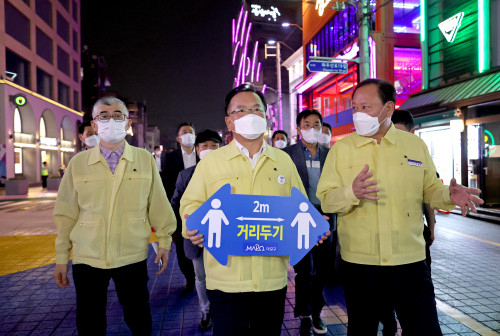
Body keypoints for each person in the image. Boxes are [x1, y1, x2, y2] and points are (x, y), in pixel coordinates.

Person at [316, 79, 483, 336]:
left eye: (366, 106)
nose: (358, 113)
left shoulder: (413, 146)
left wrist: (449, 195)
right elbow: (326, 199)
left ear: (389, 108)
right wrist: (351, 192)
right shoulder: (342, 150)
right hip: (361, 265)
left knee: (425, 329)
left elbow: (428, 190)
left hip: (410, 263)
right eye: (355, 107)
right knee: (362, 330)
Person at [180, 83, 310, 336]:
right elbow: (190, 204)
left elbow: (300, 207)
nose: (250, 115)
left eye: (256, 109)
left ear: (265, 116)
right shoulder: (212, 162)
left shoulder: (283, 161)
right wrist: (192, 225)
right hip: (225, 280)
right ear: (229, 122)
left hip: (271, 278)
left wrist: (312, 225)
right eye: (241, 110)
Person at [52, 96, 176, 335]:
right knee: (89, 322)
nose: (112, 121)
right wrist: (61, 256)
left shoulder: (144, 159)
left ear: (127, 123)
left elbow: (158, 204)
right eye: (104, 116)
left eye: (118, 115)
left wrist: (164, 240)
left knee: (139, 317)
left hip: (131, 254)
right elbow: (66, 213)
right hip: (87, 256)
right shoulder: (78, 163)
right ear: (95, 125)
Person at [282, 109, 333, 336]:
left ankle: (316, 314)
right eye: (307, 124)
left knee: (322, 270)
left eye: (317, 124)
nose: (312, 128)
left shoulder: (329, 154)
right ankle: (303, 313)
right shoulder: (287, 155)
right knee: (304, 270)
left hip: (326, 217)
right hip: (299, 216)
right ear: (298, 128)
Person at [170, 129, 223, 331]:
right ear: (197, 149)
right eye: (204, 146)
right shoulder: (186, 175)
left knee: (222, 276)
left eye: (214, 146)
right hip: (197, 237)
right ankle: (206, 311)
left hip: (221, 236)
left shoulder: (229, 174)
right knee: (200, 277)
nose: (209, 150)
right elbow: (175, 203)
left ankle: (221, 310)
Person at [391, 109, 436, 268]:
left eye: (403, 133)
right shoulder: (380, 159)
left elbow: (429, 195)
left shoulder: (421, 156)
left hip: (415, 232)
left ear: (413, 132)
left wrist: (431, 228)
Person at [162, 122, 198, 290]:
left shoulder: (203, 155)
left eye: (191, 132)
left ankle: (202, 276)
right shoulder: (170, 157)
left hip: (201, 205)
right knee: (183, 246)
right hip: (179, 208)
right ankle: (190, 278)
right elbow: (167, 183)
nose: (188, 134)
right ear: (178, 138)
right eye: (184, 132)